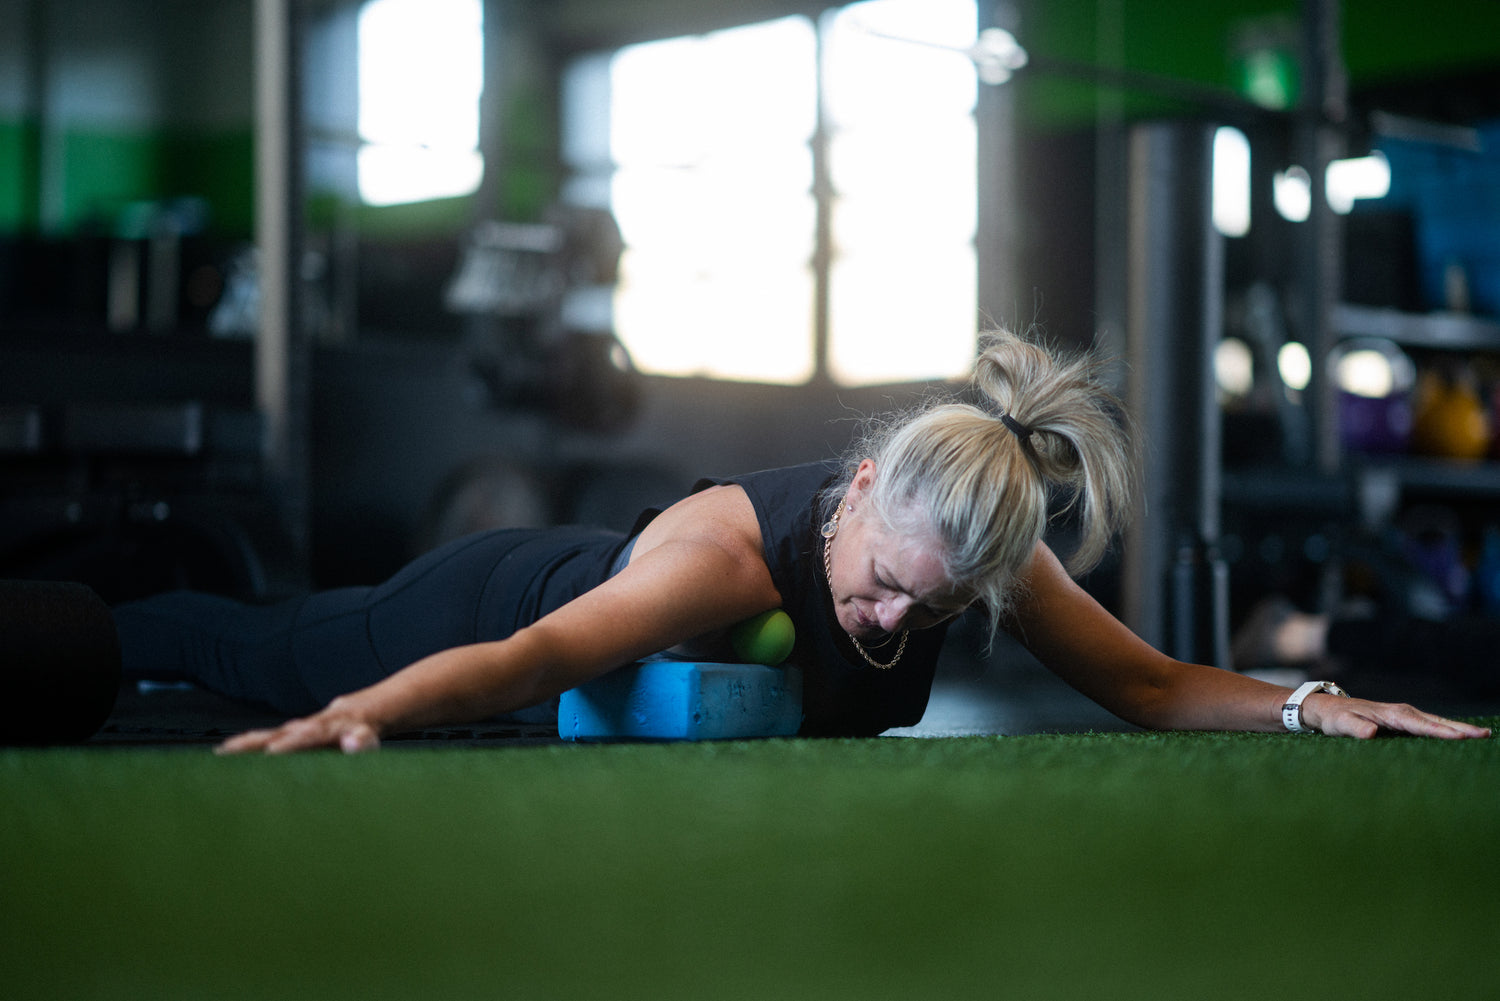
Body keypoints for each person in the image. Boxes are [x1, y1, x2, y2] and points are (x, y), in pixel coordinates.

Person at [113, 330, 1490, 753]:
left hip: (562, 674)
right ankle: (106, 609)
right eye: (888, 588)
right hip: (493, 602)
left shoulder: (972, 538)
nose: (896, 624)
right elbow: (530, 655)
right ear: (860, 482)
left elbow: (1150, 685)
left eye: (932, 614)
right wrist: (362, 708)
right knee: (254, 650)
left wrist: (1316, 700)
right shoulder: (725, 556)